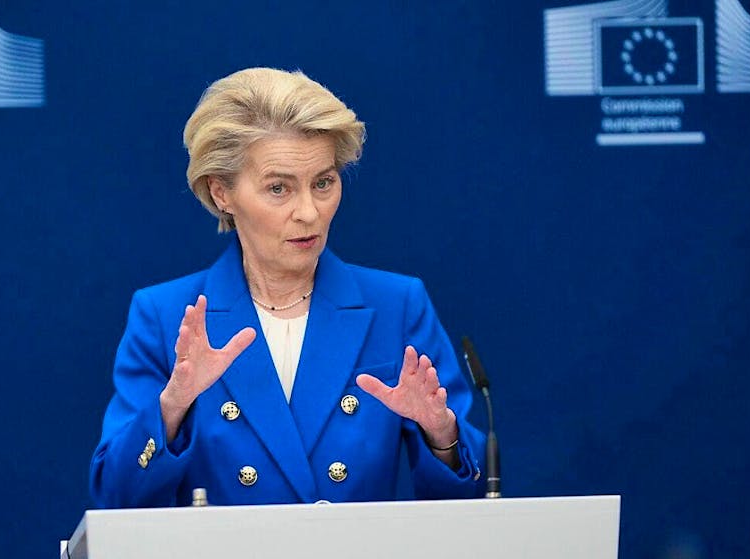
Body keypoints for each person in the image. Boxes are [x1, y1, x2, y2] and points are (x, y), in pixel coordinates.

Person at [89, 67, 486, 507]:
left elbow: (470, 503)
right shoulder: (165, 317)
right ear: (222, 193)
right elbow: (116, 499)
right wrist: (172, 406)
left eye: (323, 183)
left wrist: (441, 435)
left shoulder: (396, 307)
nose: (309, 212)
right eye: (279, 188)